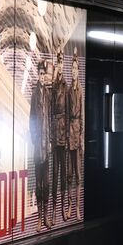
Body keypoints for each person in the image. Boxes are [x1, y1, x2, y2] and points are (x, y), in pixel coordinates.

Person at [30, 60, 52, 231]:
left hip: (47, 145)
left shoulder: (48, 94)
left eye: (45, 74)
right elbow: (32, 121)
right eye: (41, 74)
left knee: (46, 182)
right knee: (38, 184)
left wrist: (50, 141)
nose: (43, 77)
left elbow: (50, 120)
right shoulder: (35, 94)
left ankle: (45, 216)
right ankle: (39, 218)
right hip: (38, 146)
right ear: (38, 75)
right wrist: (35, 140)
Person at [51, 49, 69, 223]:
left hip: (64, 134)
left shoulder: (65, 86)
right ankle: (54, 211)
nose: (60, 66)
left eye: (62, 63)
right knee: (55, 174)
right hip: (55, 133)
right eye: (58, 63)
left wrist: (69, 136)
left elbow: (69, 113)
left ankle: (63, 208)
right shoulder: (54, 85)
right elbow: (50, 112)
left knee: (63, 174)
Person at [67, 52, 83, 220]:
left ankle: (77, 207)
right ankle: (70, 205)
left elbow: (82, 116)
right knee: (69, 174)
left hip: (77, 134)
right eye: (71, 69)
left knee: (78, 175)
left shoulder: (79, 91)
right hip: (69, 134)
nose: (73, 71)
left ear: (78, 71)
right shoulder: (68, 90)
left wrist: (82, 138)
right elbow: (65, 112)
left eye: (75, 69)